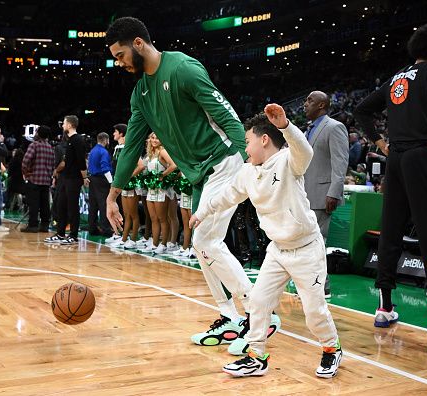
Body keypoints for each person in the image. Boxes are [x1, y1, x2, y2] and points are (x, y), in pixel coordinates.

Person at [105, 17, 280, 345]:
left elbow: (227, 117)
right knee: (203, 247)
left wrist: (251, 165)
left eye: (120, 55)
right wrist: (113, 194)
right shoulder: (141, 93)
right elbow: (131, 147)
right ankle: (231, 316)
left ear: (138, 44)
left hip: (224, 162)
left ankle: (261, 312)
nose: (120, 63)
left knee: (203, 241)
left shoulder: (183, 69)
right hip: (200, 174)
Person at [190, 105, 341, 378]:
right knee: (258, 304)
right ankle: (256, 357)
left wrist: (285, 126)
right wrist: (201, 212)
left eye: (247, 142)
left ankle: (331, 349)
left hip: (306, 249)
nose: (245, 149)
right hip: (278, 251)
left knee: (314, 312)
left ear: (263, 140)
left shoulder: (289, 162)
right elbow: (227, 195)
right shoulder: (248, 172)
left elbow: (305, 152)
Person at [353, 23, 427, 334]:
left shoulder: (398, 76)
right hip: (420, 156)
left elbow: (362, 110)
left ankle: (384, 306)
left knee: (391, 230)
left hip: (395, 159)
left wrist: (380, 143)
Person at [303, 90, 349, 298]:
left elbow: (340, 163)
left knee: (318, 242)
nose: (305, 104)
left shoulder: (334, 127)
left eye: (310, 100)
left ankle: (323, 287)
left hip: (322, 194)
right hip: (305, 194)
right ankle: (310, 284)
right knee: (306, 242)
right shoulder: (309, 129)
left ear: (322, 105)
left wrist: (334, 192)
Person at [44, 115, 87, 245]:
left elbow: (81, 161)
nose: (62, 125)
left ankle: (73, 235)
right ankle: (61, 233)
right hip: (65, 178)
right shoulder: (69, 140)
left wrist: (84, 177)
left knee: (72, 207)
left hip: (74, 178)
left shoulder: (78, 140)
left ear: (69, 125)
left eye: (64, 123)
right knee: (60, 205)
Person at [139, 132, 177, 254]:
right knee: (153, 218)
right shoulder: (151, 153)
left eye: (157, 138)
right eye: (152, 138)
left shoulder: (162, 151)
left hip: (161, 190)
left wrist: (162, 175)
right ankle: (155, 244)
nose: (154, 140)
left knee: (162, 219)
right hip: (151, 189)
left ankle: (164, 244)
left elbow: (173, 165)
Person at [21, 125, 54, 233]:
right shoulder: (50, 147)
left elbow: (26, 160)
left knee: (34, 203)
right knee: (45, 204)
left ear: (38, 133)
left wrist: (26, 173)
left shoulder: (34, 145)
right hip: (46, 180)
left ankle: (33, 225)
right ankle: (44, 225)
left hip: (35, 178)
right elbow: (53, 164)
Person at [87, 132, 113, 237]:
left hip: (92, 179)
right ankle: (106, 229)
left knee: (93, 205)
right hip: (102, 180)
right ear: (106, 140)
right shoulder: (103, 152)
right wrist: (111, 182)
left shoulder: (92, 151)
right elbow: (105, 168)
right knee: (103, 204)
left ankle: (92, 228)